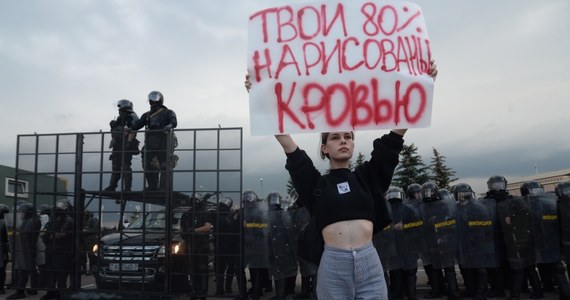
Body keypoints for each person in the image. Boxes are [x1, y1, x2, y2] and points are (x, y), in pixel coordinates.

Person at [244, 59, 437, 299]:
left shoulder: (368, 177)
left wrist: (424, 84)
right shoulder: (315, 184)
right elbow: (288, 145)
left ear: (354, 144)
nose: (343, 140)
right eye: (335, 137)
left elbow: (395, 138)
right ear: (324, 148)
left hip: (370, 262)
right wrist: (259, 96)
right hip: (333, 265)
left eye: (348, 136)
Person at [128, 91, 177, 191]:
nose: (152, 101)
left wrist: (168, 126)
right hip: (150, 142)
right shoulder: (147, 115)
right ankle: (152, 186)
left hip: (164, 141)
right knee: (147, 164)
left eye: (154, 98)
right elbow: (137, 125)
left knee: (165, 164)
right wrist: (128, 127)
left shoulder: (168, 112)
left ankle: (164, 187)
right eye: (151, 99)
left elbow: (174, 122)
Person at [180, 194, 213, 300]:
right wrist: (184, 233)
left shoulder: (205, 213)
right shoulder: (186, 215)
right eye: (192, 200)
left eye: (195, 200)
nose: (193, 202)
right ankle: (194, 291)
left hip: (201, 245)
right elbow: (182, 229)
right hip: (190, 245)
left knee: (202, 269)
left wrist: (194, 231)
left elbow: (208, 227)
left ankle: (203, 293)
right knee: (192, 269)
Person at [41, 201, 74, 300]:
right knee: (50, 273)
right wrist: (47, 236)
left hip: (61, 250)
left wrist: (49, 236)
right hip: (51, 249)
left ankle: (61, 294)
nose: (56, 211)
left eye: (58, 210)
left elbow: (62, 234)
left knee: (61, 274)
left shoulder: (68, 220)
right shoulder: (53, 219)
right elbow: (45, 231)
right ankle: (50, 292)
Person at [7, 203, 42, 299]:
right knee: (31, 269)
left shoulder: (32, 221)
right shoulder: (32, 220)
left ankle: (20, 292)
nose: (21, 214)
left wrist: (16, 233)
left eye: (23, 212)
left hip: (26, 249)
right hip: (28, 248)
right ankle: (34, 289)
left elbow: (26, 234)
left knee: (23, 270)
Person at [104, 99, 140, 191]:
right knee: (115, 166)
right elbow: (115, 131)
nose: (119, 109)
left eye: (120, 106)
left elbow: (133, 129)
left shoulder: (132, 116)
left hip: (126, 144)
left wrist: (128, 142)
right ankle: (112, 186)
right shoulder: (120, 117)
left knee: (125, 166)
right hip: (117, 145)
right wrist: (113, 126)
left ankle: (127, 188)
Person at [0, 204, 9, 295]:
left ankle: (1, 287)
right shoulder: (6, 222)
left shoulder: (4, 222)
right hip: (4, 248)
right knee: (2, 268)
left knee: (1, 268)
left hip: (3, 248)